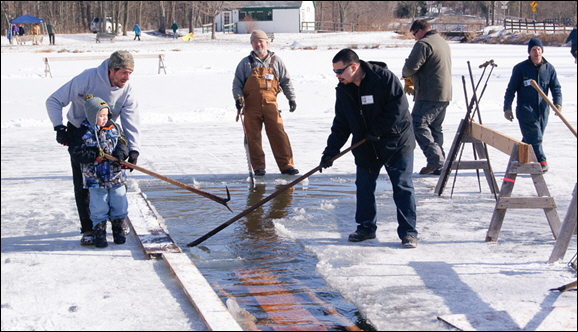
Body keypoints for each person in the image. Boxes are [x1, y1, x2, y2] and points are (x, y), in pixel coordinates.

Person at [320, 49, 418, 248]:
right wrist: (330, 152)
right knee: (364, 186)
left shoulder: (384, 79)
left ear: (353, 67)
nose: (337, 76)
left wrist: (377, 130)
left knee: (402, 186)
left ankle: (408, 232)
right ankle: (366, 228)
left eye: (339, 71)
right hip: (366, 144)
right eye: (334, 72)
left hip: (396, 142)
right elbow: (341, 123)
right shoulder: (344, 89)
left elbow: (398, 109)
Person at [46, 50, 140, 245]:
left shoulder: (127, 89)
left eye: (130, 73)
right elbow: (54, 100)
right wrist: (59, 127)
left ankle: (116, 220)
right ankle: (89, 228)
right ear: (111, 70)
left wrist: (133, 150)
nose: (127, 77)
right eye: (123, 72)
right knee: (85, 182)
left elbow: (131, 121)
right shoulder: (87, 78)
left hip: (109, 135)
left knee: (114, 182)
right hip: (81, 134)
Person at [232, 30, 299, 176]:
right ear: (252, 44)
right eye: (255, 42)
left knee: (278, 134)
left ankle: (287, 165)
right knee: (253, 137)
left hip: (271, 105)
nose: (258, 44)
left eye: (261, 41)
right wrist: (238, 99)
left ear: (267, 42)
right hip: (251, 106)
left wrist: (291, 98)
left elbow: (286, 81)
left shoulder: (276, 61)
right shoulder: (245, 63)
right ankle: (258, 167)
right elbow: (237, 84)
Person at [69, 95, 130, 248]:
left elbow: (123, 142)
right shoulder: (83, 132)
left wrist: (121, 153)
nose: (104, 118)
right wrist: (93, 155)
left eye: (106, 115)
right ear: (91, 115)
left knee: (119, 202)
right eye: (100, 116)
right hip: (95, 179)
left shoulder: (114, 128)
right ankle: (99, 231)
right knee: (98, 206)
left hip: (115, 176)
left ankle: (117, 229)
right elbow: (75, 153)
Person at [503, 38, 562, 173]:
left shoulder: (549, 68)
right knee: (536, 137)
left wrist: (558, 104)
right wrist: (507, 108)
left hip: (542, 110)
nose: (537, 52)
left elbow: (556, 88)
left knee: (530, 139)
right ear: (529, 52)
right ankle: (542, 161)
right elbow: (510, 90)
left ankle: (518, 159)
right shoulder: (520, 69)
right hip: (525, 109)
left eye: (539, 49)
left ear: (542, 51)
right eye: (533, 50)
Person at [402, 19, 452, 175]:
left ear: (420, 31)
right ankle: (440, 165)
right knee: (434, 128)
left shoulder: (424, 44)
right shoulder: (442, 42)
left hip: (429, 94)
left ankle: (436, 161)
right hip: (444, 94)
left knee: (417, 124)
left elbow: (410, 67)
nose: (414, 38)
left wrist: (407, 76)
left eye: (414, 34)